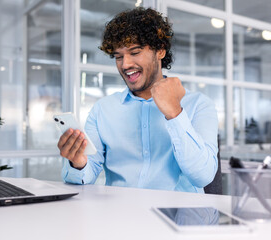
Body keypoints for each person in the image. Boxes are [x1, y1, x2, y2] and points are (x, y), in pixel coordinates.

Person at [57, 7, 218, 193]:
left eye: (134, 52)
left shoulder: (199, 105)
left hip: (178, 218)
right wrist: (78, 163)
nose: (125, 64)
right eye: (118, 57)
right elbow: (87, 174)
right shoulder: (102, 110)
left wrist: (174, 113)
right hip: (120, 215)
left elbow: (203, 176)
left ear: (160, 51)